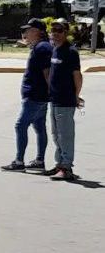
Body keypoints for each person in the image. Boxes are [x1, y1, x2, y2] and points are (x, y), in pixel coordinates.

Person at [1, 19, 52, 172]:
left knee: (21, 125)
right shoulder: (40, 46)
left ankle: (19, 161)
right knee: (39, 127)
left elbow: (47, 72)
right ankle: (39, 160)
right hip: (38, 95)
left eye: (29, 30)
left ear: (38, 31)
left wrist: (50, 91)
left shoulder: (42, 48)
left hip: (35, 95)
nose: (25, 33)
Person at [42, 18, 82, 181]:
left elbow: (77, 77)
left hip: (66, 100)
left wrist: (76, 95)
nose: (55, 34)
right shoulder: (55, 49)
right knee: (56, 134)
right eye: (53, 30)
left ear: (66, 33)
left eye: (59, 31)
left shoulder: (71, 52)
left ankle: (66, 166)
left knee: (65, 134)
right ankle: (59, 163)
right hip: (55, 99)